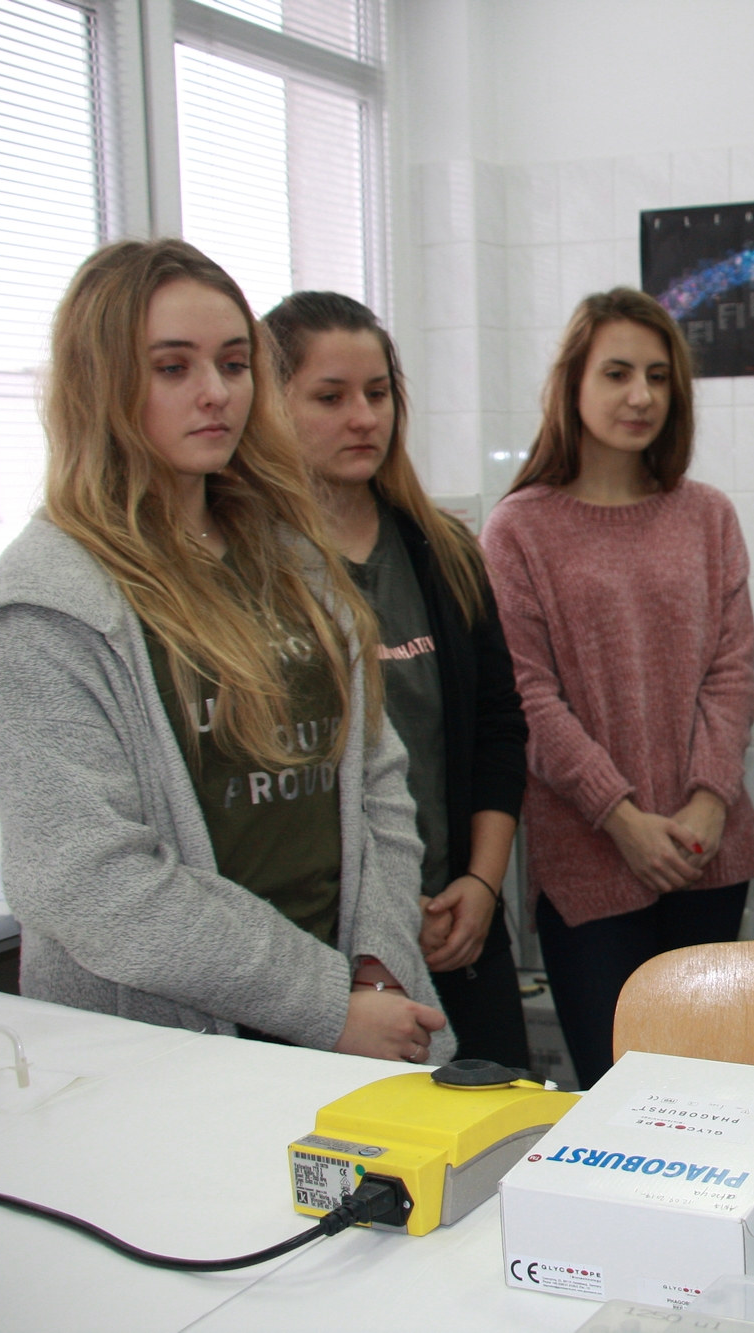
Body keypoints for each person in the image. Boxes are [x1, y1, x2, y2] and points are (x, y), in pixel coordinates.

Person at [0, 239, 451, 1062]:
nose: (217, 393)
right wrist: (322, 1001)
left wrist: (375, 968)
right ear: (99, 382)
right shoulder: (49, 598)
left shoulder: (290, 555)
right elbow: (90, 883)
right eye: (172, 367)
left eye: (233, 364)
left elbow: (377, 780)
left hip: (356, 1012)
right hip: (173, 1048)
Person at [481, 288, 754, 1090]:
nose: (640, 395)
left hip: (706, 850)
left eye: (657, 376)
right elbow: (530, 698)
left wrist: (709, 800)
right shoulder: (518, 529)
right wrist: (621, 816)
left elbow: (732, 669)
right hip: (590, 857)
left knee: (708, 1092)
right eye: (616, 373)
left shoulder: (707, 515)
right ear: (572, 383)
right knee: (621, 1097)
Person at [266, 291, 531, 1071]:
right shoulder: (255, 568)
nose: (363, 418)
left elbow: (499, 726)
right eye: (330, 397)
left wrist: (481, 885)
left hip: (460, 927)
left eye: (377, 394)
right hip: (330, 953)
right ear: (271, 406)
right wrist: (386, 914)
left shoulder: (442, 549)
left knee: (502, 1122)